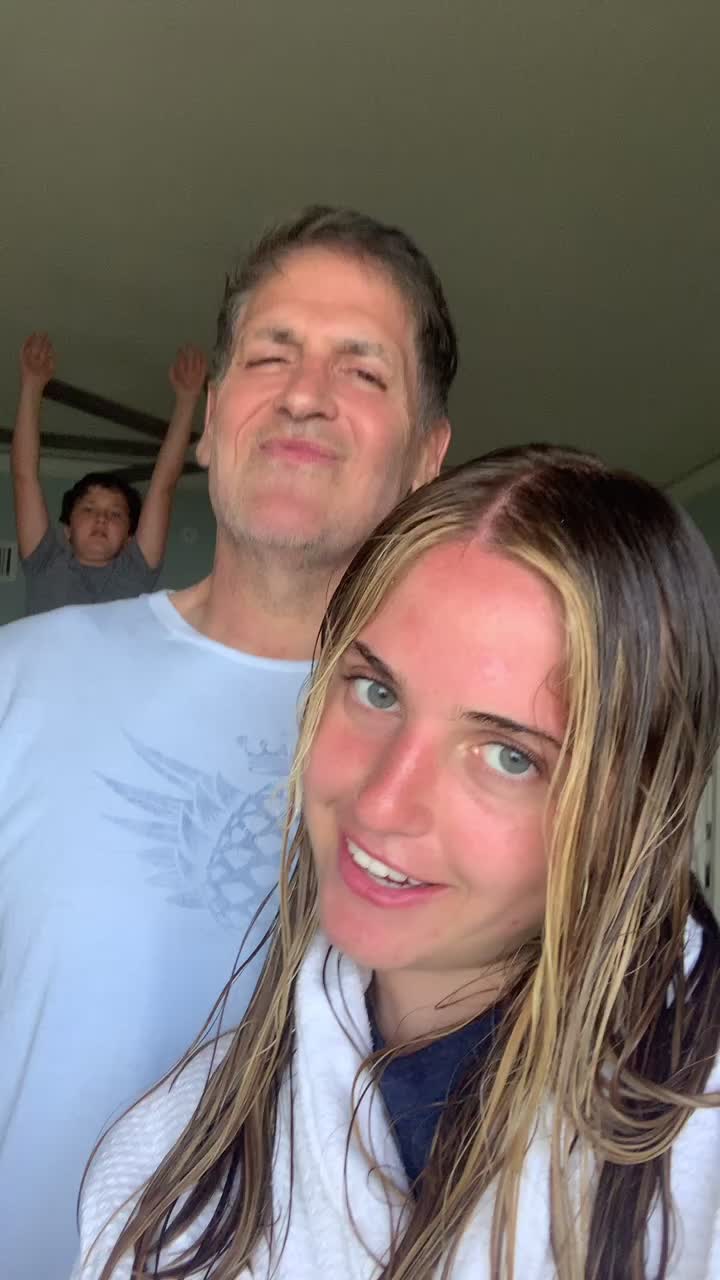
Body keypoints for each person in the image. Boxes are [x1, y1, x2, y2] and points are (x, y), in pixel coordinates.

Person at [74, 446, 720, 1280]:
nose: (381, 804)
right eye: (376, 692)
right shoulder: (163, 1164)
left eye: (510, 756)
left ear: (633, 810)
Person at [0, 207, 454, 1280]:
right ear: (209, 425)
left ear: (427, 458)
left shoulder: (476, 762)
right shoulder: (20, 675)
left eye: (363, 370)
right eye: (270, 355)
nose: (304, 393)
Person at [11, 332, 208, 615]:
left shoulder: (136, 571)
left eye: (116, 514)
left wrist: (187, 400)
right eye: (88, 509)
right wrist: (31, 385)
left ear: (129, 537)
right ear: (67, 530)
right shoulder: (44, 562)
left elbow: (163, 486)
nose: (101, 518)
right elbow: (24, 477)